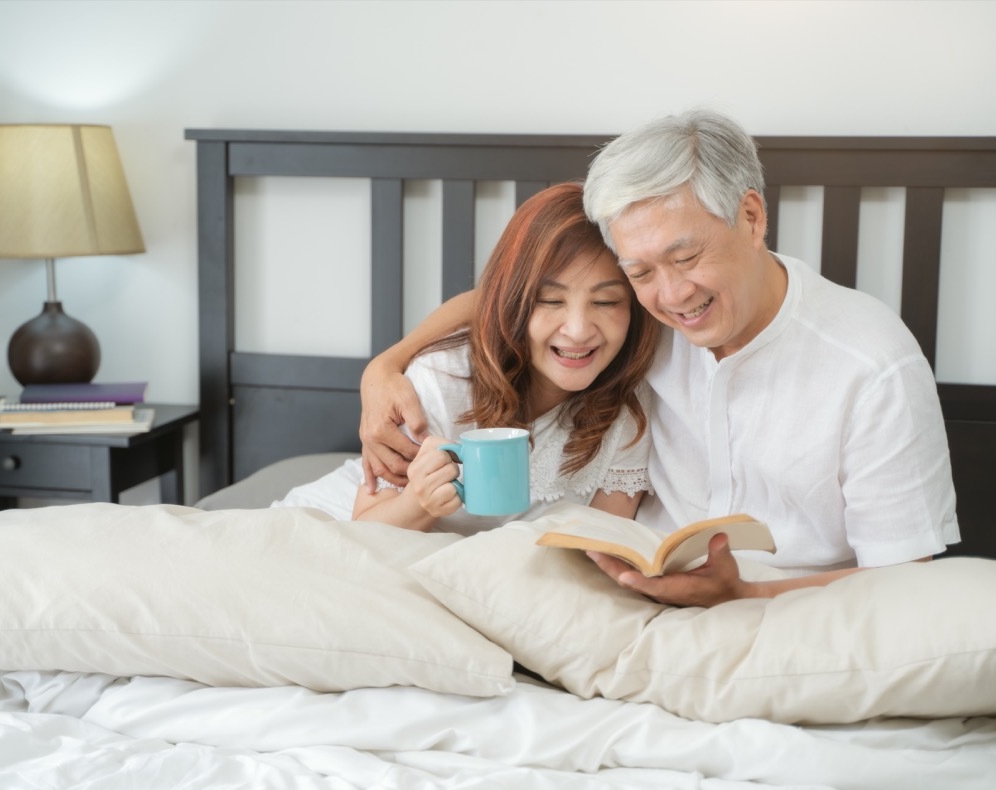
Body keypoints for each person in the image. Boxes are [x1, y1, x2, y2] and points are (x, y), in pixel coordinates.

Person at [357, 108, 960, 605]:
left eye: (688, 258)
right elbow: (510, 302)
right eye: (639, 271)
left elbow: (906, 582)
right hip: (629, 600)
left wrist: (744, 596)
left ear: (751, 218)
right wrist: (386, 365)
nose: (671, 296)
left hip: (801, 606)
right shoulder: (631, 318)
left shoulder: (871, 365)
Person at [274, 182, 659, 535]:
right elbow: (366, 529)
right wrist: (419, 503)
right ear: (513, 303)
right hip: (335, 527)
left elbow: (607, 544)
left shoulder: (631, 408)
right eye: (550, 300)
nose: (578, 329)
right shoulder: (445, 379)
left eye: (607, 301)